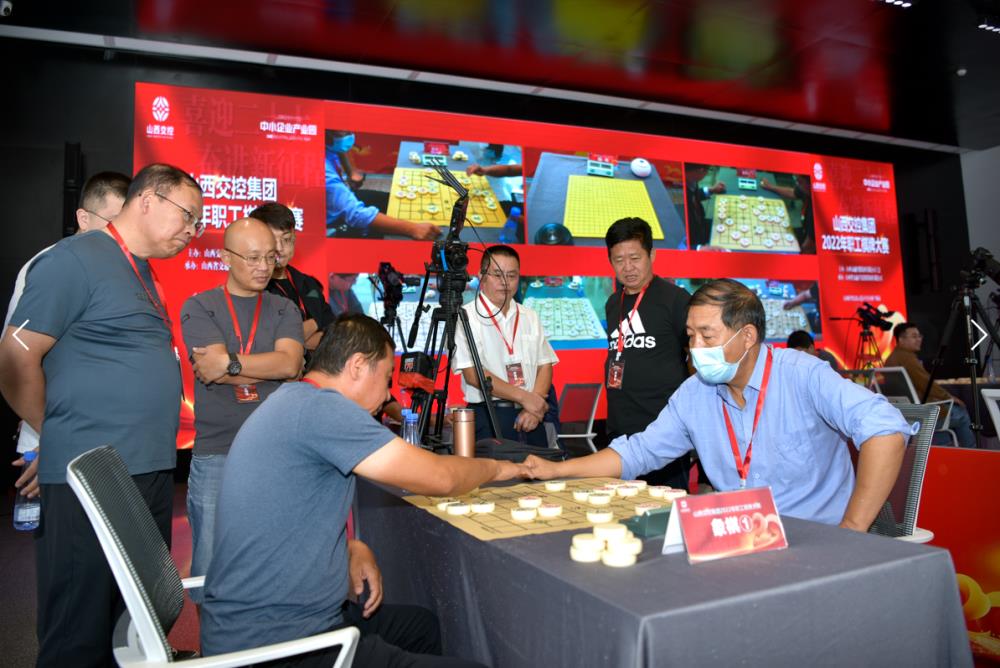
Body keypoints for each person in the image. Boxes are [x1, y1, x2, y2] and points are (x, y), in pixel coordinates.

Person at [201, 314, 519, 666]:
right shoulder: (324, 409)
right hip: (277, 645)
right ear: (357, 366)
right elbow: (441, 478)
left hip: (259, 623)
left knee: (421, 626)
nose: (387, 394)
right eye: (386, 378)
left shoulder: (295, 400)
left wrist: (351, 547)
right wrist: (502, 468)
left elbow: (282, 517)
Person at [0, 163, 203, 667]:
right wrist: (57, 433)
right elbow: (16, 359)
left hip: (149, 469)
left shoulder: (141, 271)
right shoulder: (75, 259)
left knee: (130, 621)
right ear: (148, 200)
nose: (192, 231)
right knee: (79, 627)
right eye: (188, 215)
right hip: (91, 474)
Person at [523, 279, 910, 529]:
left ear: (747, 336)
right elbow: (638, 452)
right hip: (740, 538)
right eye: (690, 336)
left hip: (816, 539)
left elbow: (886, 431)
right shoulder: (695, 392)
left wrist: (852, 530)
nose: (696, 348)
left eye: (707, 336)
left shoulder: (803, 375)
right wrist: (557, 470)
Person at [180, 218, 305, 602]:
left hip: (278, 452)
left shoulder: (284, 308)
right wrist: (264, 367)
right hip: (218, 451)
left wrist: (230, 364)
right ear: (225, 258)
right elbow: (209, 370)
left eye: (270, 257)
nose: (264, 267)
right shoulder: (201, 306)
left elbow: (290, 365)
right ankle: (214, 639)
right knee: (212, 567)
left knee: (277, 559)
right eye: (252, 258)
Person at [3, 171, 131, 461]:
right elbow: (15, 361)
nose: (120, 235)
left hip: (103, 438)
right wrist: (50, 434)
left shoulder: (117, 268)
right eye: (112, 223)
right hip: (54, 442)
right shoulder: (54, 265)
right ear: (83, 218)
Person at [604, 217, 691, 489]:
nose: (627, 267)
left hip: (663, 432)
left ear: (651, 255)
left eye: (635, 258)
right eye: (619, 260)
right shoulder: (613, 303)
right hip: (620, 430)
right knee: (624, 506)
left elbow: (694, 357)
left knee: (666, 506)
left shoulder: (675, 299)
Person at [452, 245, 559, 446]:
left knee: (540, 466)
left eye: (512, 276)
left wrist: (533, 404)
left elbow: (545, 364)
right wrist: (525, 398)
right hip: (489, 415)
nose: (505, 282)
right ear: (481, 276)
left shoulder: (529, 316)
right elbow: (473, 374)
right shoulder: (466, 317)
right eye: (497, 275)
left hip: (531, 417)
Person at [249, 202, 335, 351]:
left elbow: (334, 334)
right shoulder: (251, 287)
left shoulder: (308, 283)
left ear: (294, 238)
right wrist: (316, 322)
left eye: (286, 239)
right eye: (272, 240)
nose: (280, 248)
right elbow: (270, 343)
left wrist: (297, 338)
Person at [326, 130, 441, 240]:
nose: (349, 136)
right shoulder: (324, 173)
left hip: (343, 196)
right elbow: (356, 215)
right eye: (344, 133)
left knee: (395, 201)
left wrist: (351, 172)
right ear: (326, 135)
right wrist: (413, 228)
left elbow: (339, 150)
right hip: (333, 220)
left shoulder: (327, 143)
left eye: (349, 131)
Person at [885, 322, 975, 447]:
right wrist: (948, 397)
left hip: (907, 414)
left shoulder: (891, 359)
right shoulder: (908, 358)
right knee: (961, 412)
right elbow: (926, 384)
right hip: (923, 415)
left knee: (941, 411)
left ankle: (944, 450)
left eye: (919, 336)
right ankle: (972, 452)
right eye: (914, 336)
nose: (919, 339)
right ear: (901, 339)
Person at [760, 175, 815, 254]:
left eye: (800, 182)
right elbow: (792, 192)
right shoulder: (806, 189)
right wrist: (771, 187)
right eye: (796, 180)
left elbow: (809, 247)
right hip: (805, 232)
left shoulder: (816, 212)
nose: (797, 184)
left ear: (811, 184)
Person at [684, 164, 726, 248]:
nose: (706, 174)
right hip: (692, 238)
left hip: (701, 225)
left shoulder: (690, 180)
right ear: (701, 170)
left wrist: (710, 190)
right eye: (708, 170)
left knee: (724, 225)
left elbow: (692, 196)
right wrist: (698, 249)